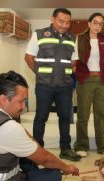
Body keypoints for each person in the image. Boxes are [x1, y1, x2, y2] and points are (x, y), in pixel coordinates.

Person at [24, 8, 80, 161]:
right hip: (44, 85)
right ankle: (37, 150)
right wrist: (41, 74)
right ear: (52, 19)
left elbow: (74, 60)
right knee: (41, 117)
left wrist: (66, 72)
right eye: (61, 21)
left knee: (65, 117)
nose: (64, 25)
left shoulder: (72, 38)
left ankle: (66, 149)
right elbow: (29, 57)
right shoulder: (39, 34)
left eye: (67, 22)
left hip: (65, 86)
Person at [73, 13, 104, 157]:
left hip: (102, 80)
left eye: (100, 24)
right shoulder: (79, 39)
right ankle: (81, 145)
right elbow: (74, 62)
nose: (97, 26)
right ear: (89, 23)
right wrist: (78, 75)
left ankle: (102, 145)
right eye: (95, 22)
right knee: (83, 115)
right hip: (85, 80)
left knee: (100, 114)